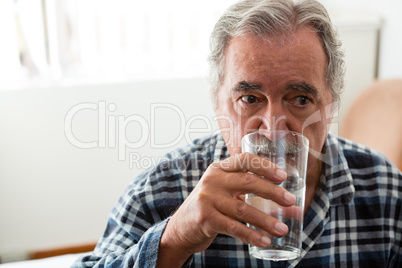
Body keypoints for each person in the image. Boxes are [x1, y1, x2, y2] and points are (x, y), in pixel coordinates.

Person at [72, 0, 402, 267]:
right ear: (218, 104)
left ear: (331, 104)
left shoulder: (385, 191)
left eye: (300, 99)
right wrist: (174, 239)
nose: (273, 128)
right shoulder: (164, 190)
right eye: (249, 99)